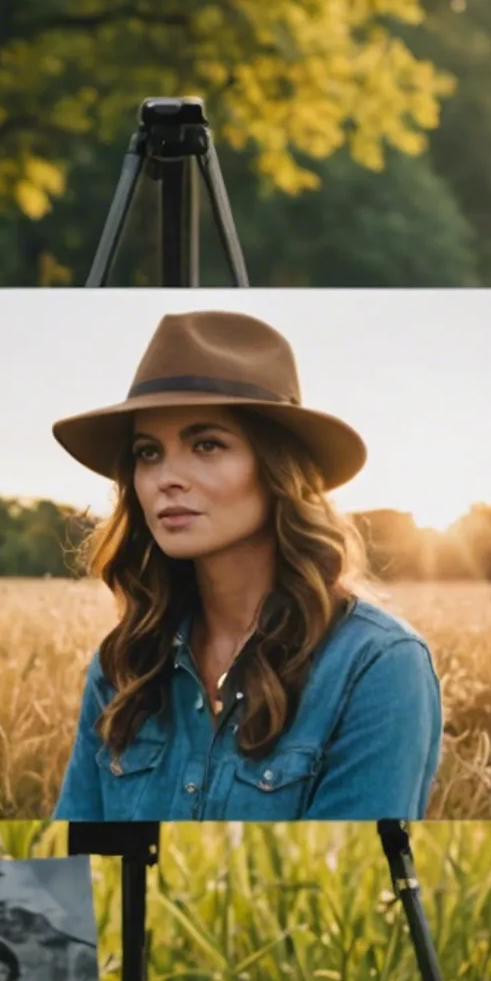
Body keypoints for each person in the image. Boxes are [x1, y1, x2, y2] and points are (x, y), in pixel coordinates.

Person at [48, 310, 443, 823]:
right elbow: (69, 856)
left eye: (206, 445)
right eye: (148, 452)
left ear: (279, 470)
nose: (167, 477)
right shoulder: (123, 666)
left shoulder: (377, 666)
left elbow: (343, 883)